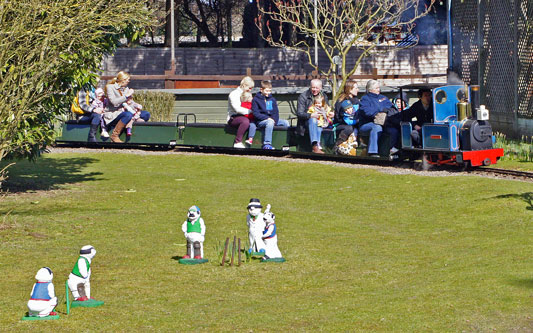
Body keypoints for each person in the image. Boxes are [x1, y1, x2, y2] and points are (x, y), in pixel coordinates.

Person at [105, 71, 151, 143]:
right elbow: (114, 102)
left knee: (146, 114)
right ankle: (114, 135)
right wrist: (126, 96)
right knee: (128, 115)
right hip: (114, 113)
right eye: (128, 79)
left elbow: (130, 102)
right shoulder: (110, 87)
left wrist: (136, 106)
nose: (129, 81)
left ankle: (130, 131)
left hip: (127, 112)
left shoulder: (126, 88)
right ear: (123, 80)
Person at [359, 80, 399, 156]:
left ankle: (391, 150)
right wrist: (380, 111)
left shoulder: (384, 98)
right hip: (366, 124)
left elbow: (391, 108)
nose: (379, 90)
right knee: (377, 128)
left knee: (393, 130)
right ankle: (373, 152)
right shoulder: (365, 99)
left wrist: (385, 112)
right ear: (371, 90)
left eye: (379, 88)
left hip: (384, 122)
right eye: (377, 88)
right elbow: (367, 112)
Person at [251, 80, 289, 150]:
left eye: (270, 91)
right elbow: (256, 114)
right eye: (267, 91)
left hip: (272, 120)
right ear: (261, 90)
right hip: (261, 121)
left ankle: (286, 143)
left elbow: (275, 112)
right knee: (270, 122)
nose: (268, 93)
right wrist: (267, 118)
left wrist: (275, 120)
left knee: (285, 122)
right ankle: (267, 144)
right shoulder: (255, 100)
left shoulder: (272, 99)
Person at [296, 79, 329, 153]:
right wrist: (311, 115)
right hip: (305, 123)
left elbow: (327, 108)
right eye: (313, 87)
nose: (315, 90)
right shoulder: (303, 96)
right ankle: (315, 145)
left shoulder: (324, 96)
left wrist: (329, 113)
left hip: (321, 121)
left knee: (318, 123)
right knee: (313, 120)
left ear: (321, 88)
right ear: (310, 87)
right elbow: (299, 113)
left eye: (317, 88)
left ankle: (319, 145)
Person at [227, 76, 255, 148]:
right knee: (245, 121)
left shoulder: (247, 94)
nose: (250, 90)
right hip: (233, 117)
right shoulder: (234, 94)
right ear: (244, 85)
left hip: (245, 116)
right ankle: (237, 142)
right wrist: (251, 111)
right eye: (249, 88)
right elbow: (237, 109)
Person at [333, 80, 360, 153]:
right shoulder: (342, 100)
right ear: (350, 89)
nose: (358, 90)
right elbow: (338, 117)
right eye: (356, 88)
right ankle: (338, 145)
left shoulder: (356, 100)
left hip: (355, 122)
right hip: (342, 123)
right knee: (349, 128)